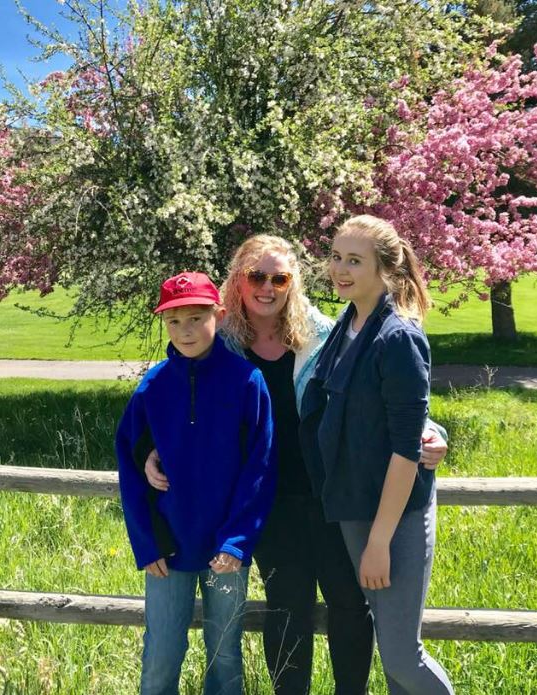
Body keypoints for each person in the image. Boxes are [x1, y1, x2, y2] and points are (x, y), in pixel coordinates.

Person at [145, 236, 449, 695]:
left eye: (279, 278)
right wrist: (152, 448)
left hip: (334, 494)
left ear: (294, 282)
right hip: (266, 498)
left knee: (349, 603)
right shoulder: (220, 343)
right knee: (287, 607)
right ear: (238, 280)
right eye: (256, 277)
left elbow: (382, 394)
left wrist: (431, 431)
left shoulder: (326, 335)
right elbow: (176, 392)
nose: (267, 288)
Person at [300, 215, 454, 694]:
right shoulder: (347, 324)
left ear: (384, 268)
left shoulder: (397, 336)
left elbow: (405, 450)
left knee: (404, 658)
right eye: (335, 257)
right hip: (355, 504)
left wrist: (380, 541)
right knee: (391, 654)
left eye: (354, 261)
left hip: (394, 515)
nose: (339, 269)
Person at [116, 271, 276, 695]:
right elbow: (130, 464)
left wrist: (237, 540)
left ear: (218, 316)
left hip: (226, 548)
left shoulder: (246, 382)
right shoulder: (152, 387)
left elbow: (259, 466)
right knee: (161, 654)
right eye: (174, 321)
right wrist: (146, 542)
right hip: (167, 548)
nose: (185, 330)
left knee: (225, 654)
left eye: (196, 318)